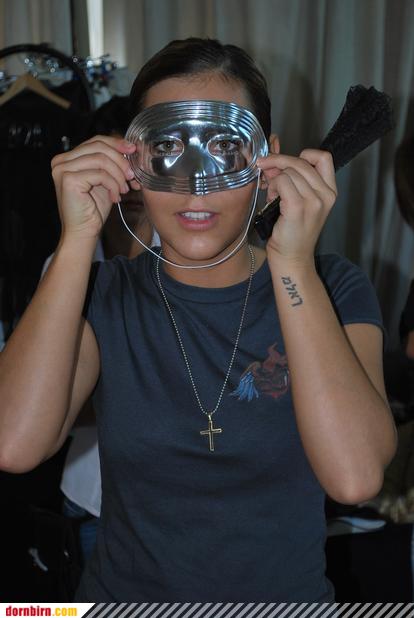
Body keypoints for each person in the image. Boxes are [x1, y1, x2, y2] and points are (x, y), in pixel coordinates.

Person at [0, 37, 397, 602]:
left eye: (224, 146)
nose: (196, 182)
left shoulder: (332, 288)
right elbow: (13, 444)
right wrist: (77, 237)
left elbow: (354, 476)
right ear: (132, 161)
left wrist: (293, 264)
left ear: (266, 159)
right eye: (167, 146)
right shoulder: (102, 294)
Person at [41, 96, 159, 566]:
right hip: (90, 495)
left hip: (163, 503)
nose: (131, 184)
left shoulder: (187, 257)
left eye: (145, 164)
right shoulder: (66, 264)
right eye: (119, 165)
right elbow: (45, 399)